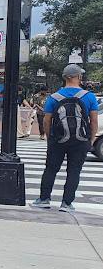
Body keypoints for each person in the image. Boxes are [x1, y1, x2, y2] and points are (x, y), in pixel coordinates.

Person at [32, 65, 100, 212]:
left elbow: (46, 120)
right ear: (79, 77)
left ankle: (44, 199)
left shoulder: (54, 97)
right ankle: (67, 203)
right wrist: (91, 139)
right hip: (81, 140)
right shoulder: (89, 97)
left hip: (58, 139)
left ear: (65, 78)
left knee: (51, 169)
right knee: (74, 171)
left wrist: (51, 137)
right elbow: (94, 121)